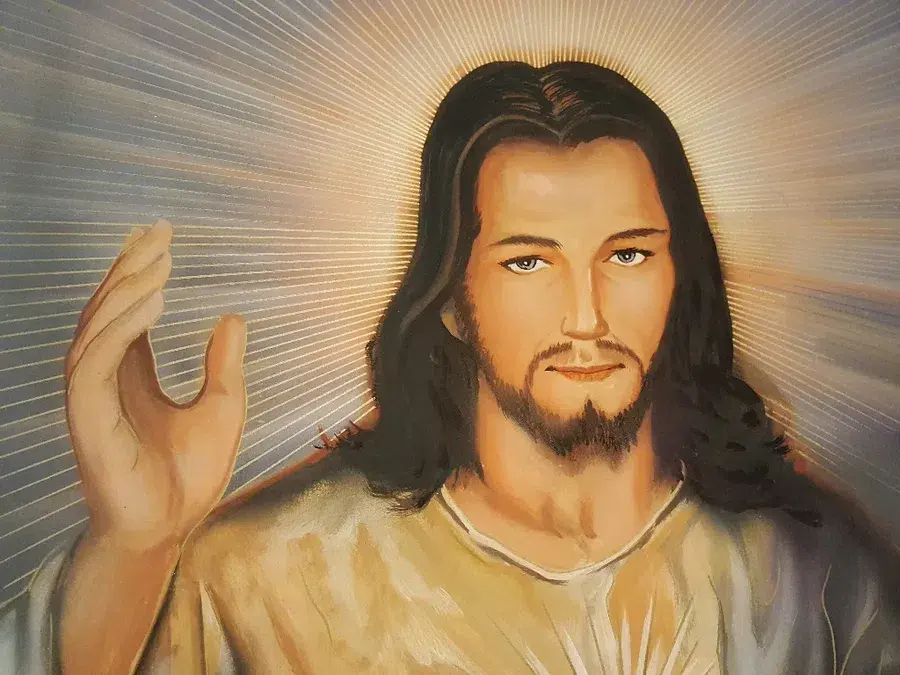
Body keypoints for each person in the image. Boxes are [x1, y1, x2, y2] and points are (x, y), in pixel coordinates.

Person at [1, 61, 898, 675]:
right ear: (451, 299)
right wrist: (133, 548)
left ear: (680, 274)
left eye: (627, 254)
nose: (586, 315)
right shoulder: (263, 577)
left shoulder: (815, 571)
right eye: (528, 261)